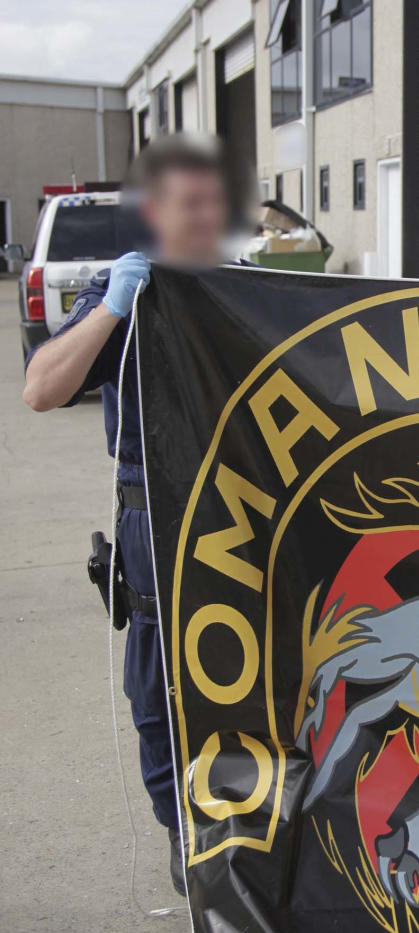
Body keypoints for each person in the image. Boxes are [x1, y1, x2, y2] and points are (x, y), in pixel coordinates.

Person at [23, 135, 234, 894]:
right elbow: (41, 390)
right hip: (159, 520)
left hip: (245, 516)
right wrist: (113, 308)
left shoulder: (252, 290)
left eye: (215, 204)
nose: (207, 218)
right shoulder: (125, 290)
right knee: (161, 690)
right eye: (190, 205)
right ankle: (185, 835)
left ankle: (260, 826)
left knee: (255, 676)